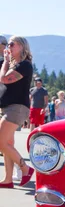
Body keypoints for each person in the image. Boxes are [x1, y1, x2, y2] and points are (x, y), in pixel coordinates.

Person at [0, 36, 35, 188]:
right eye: (8, 44)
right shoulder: (15, 64)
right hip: (8, 107)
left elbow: (4, 79)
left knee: (1, 143)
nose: (9, 46)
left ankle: (25, 168)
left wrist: (6, 61)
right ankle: (8, 180)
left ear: (21, 46)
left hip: (17, 108)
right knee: (7, 143)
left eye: (12, 44)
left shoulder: (25, 65)